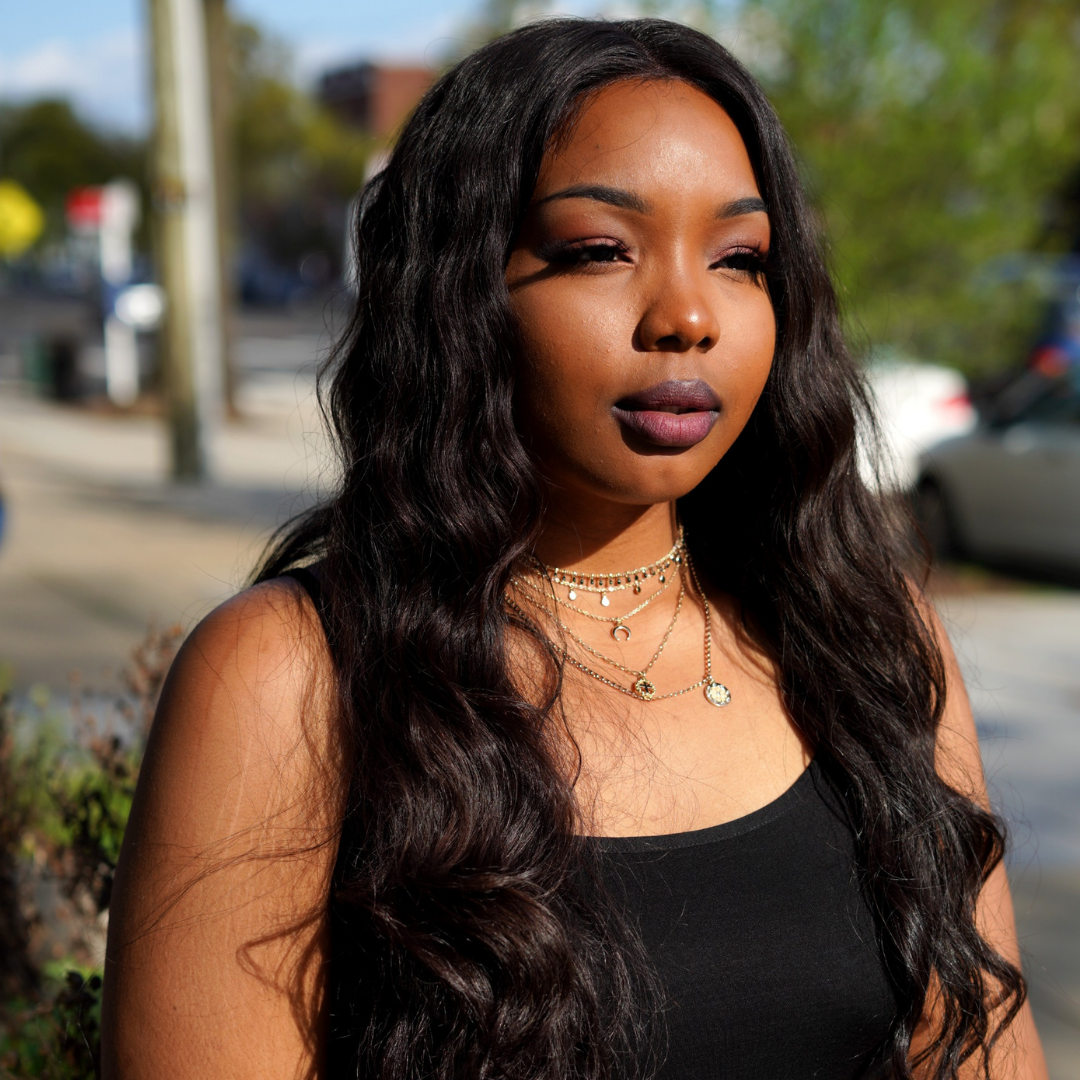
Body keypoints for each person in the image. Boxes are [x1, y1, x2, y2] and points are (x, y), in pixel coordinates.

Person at [101, 19, 1048, 1080]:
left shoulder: (867, 641)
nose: (687, 314)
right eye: (600, 250)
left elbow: (984, 1053)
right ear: (456, 291)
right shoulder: (292, 677)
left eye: (740, 260)